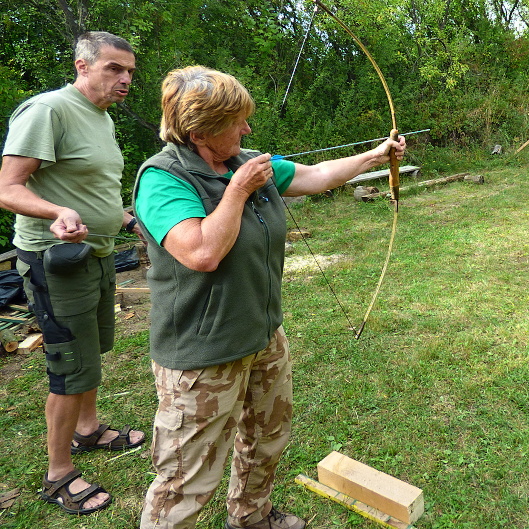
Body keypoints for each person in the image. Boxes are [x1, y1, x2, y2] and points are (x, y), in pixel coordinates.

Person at [133, 66, 406, 529]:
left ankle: (250, 517)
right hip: (203, 356)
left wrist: (377, 156)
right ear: (198, 132)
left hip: (262, 338)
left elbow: (318, 174)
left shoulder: (245, 162)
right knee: (186, 478)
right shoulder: (164, 180)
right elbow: (201, 252)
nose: (247, 128)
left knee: (266, 439)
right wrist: (237, 192)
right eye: (236, 121)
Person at [0, 31, 146, 515]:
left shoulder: (100, 118)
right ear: (83, 66)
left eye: (129, 71)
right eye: (113, 69)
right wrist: (55, 211)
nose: (125, 79)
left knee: (89, 348)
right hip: (54, 261)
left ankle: (88, 431)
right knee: (67, 365)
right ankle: (57, 473)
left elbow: (92, 186)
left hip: (98, 254)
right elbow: (8, 187)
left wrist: (126, 218)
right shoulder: (48, 111)